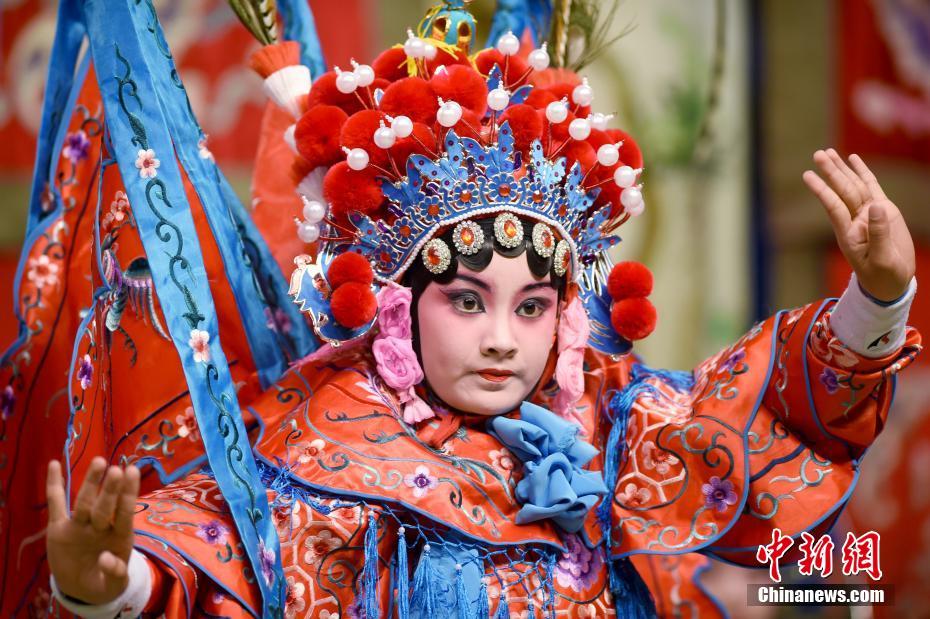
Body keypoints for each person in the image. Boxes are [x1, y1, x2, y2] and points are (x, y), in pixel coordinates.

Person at [26, 2, 924, 618]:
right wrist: (108, 586)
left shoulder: (610, 418)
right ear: (393, 307)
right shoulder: (320, 448)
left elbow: (752, 420)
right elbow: (215, 555)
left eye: (532, 305)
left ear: (566, 314)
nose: (502, 339)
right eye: (465, 299)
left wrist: (875, 297)